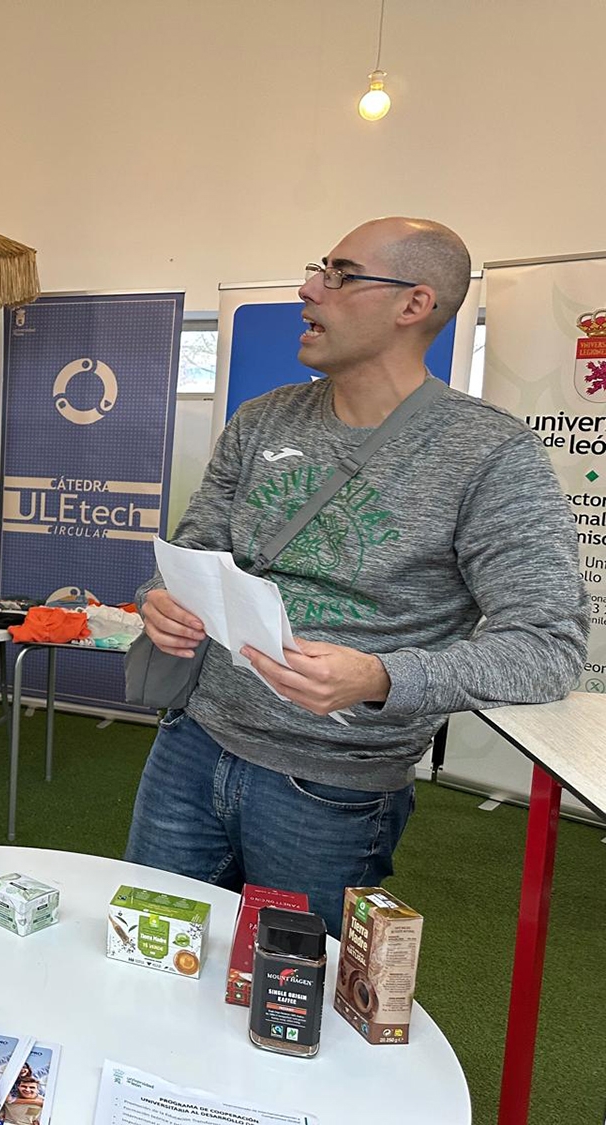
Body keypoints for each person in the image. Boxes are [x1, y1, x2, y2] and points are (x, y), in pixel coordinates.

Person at [126, 217, 589, 934]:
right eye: (319, 269)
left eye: (340, 274)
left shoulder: (490, 454)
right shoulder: (261, 419)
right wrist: (160, 598)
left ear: (414, 304)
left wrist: (379, 677)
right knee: (149, 954)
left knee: (291, 1006)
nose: (309, 289)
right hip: (192, 743)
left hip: (333, 787)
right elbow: (194, 549)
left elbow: (547, 648)